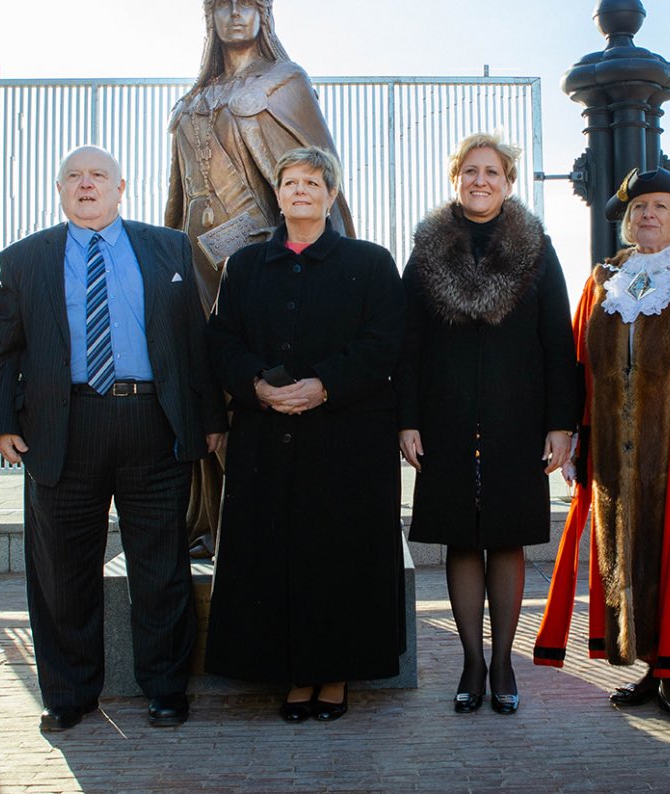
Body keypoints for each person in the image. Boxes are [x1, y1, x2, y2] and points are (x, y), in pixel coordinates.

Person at [0, 145, 228, 731]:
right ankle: (69, 694)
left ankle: (166, 689)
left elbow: (196, 341)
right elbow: (1, 353)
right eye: (74, 176)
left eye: (99, 176)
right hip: (62, 431)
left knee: (160, 567)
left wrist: (211, 419)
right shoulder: (24, 260)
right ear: (59, 189)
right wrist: (2, 421)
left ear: (122, 189)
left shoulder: (167, 249)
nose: (86, 185)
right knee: (62, 572)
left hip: (151, 425)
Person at [534, 168, 670, 729]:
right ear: (628, 220)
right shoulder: (604, 279)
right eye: (640, 207)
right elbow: (580, 362)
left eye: (661, 206)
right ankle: (650, 669)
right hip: (614, 449)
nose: (649, 214)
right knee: (625, 553)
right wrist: (574, 431)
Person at [204, 146, 404, 722]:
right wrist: (257, 387)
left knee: (335, 558)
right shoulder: (243, 268)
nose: (300, 192)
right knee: (275, 555)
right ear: (279, 194)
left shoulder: (369, 262)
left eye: (312, 183)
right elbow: (222, 341)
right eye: (290, 182)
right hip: (266, 437)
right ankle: (292, 676)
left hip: (347, 440)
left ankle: (334, 675)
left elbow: (384, 340)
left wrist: (324, 385)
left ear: (331, 196)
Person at [165, 0, 355, 558]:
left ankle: (269, 515)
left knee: (266, 383)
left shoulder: (284, 82)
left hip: (260, 259)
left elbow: (317, 175)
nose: (236, 15)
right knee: (210, 377)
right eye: (223, 5)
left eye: (248, 4)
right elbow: (177, 192)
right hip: (195, 257)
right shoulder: (191, 100)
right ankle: (217, 518)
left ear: (264, 14)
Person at [397, 132, 577, 715]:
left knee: (505, 536)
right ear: (456, 179)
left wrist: (560, 423)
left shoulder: (537, 248)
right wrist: (408, 419)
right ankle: (472, 663)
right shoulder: (427, 249)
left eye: (492, 172)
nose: (480, 180)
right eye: (470, 171)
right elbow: (407, 343)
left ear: (509, 181)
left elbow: (558, 338)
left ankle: (503, 663)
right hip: (445, 417)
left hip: (517, 415)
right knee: (460, 536)